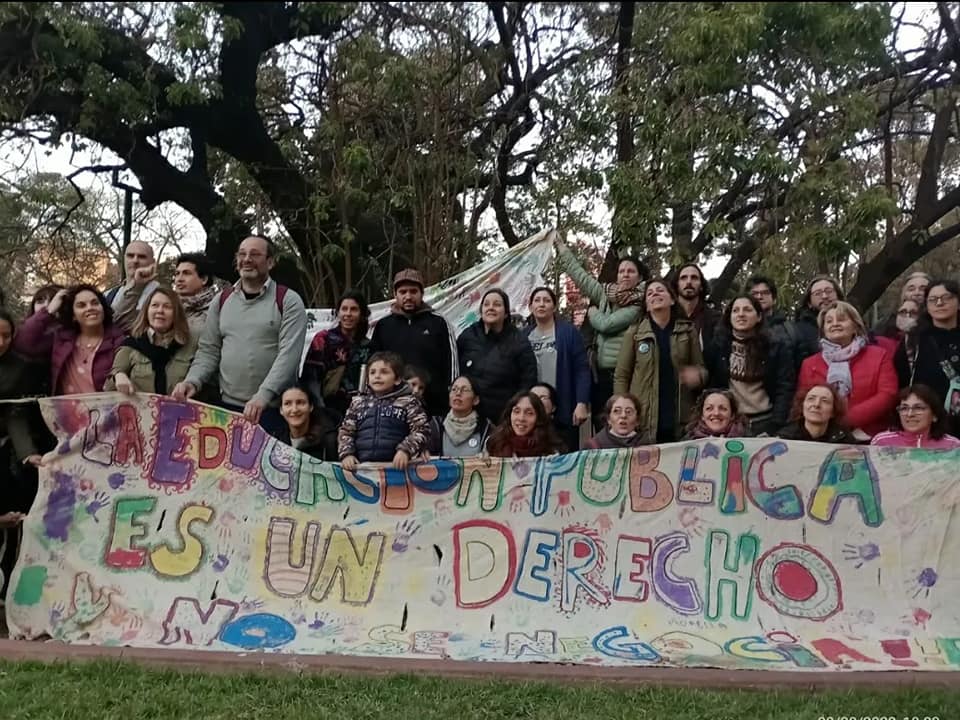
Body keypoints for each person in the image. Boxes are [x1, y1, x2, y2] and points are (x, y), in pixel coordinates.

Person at [173, 235, 308, 437]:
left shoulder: (288, 301)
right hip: (227, 410)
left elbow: (288, 357)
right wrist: (192, 381)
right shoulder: (222, 300)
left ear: (270, 262)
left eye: (255, 254)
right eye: (242, 254)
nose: (247, 259)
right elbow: (209, 351)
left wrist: (263, 396)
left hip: (273, 411)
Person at [552, 235, 649, 428]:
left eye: (631, 271)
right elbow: (581, 278)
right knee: (601, 425)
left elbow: (607, 324)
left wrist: (592, 312)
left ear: (640, 277)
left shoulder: (640, 302)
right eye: (622, 271)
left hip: (624, 376)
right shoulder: (607, 295)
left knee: (624, 426)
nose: (625, 275)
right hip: (600, 375)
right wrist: (562, 249)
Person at [613, 279, 707, 444]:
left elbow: (702, 370)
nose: (655, 294)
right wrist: (621, 409)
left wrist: (698, 375)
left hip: (679, 418)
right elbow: (622, 375)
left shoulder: (688, 330)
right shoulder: (635, 334)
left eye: (660, 290)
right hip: (644, 419)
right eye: (650, 293)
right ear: (647, 305)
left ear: (672, 300)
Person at [796, 301, 897, 440]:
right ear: (823, 330)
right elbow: (804, 400)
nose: (835, 324)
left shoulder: (879, 356)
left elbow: (888, 394)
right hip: (823, 437)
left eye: (842, 319)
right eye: (829, 321)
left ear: (855, 326)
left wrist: (845, 420)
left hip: (869, 436)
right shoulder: (809, 364)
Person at [368, 269, 456, 417]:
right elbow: (373, 364)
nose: (408, 296)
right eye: (403, 292)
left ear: (422, 293)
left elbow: (452, 365)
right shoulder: (383, 326)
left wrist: (451, 396)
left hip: (433, 408)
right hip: (390, 407)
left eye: (413, 291)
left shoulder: (439, 323)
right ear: (395, 295)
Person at [704, 295, 795, 435]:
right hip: (731, 423)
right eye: (735, 310)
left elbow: (785, 386)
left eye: (747, 310)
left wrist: (776, 424)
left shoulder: (775, 346)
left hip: (766, 420)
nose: (741, 314)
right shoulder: (719, 345)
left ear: (759, 316)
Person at [14, 285, 126, 395]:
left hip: (106, 410)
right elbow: (24, 342)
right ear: (73, 316)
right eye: (81, 305)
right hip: (64, 412)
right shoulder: (61, 340)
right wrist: (48, 311)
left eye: (95, 303)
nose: (90, 308)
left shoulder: (118, 341)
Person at [457, 289, 538, 424]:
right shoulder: (468, 336)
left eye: (497, 304)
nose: (491, 308)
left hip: (503, 418)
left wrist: (515, 411)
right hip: (469, 415)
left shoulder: (518, 340)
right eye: (486, 304)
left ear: (506, 313)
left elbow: (528, 379)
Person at [338, 352, 430, 470]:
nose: (377, 376)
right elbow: (346, 431)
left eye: (384, 372)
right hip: (363, 469)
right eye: (372, 372)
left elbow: (421, 429)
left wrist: (405, 450)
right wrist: (347, 454)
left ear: (397, 379)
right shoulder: (358, 402)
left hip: (397, 470)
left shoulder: (408, 402)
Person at [525, 286, 591, 450]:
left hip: (564, 407)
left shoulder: (568, 333)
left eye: (547, 301)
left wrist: (581, 402)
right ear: (530, 306)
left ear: (554, 307)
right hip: (533, 409)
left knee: (565, 455)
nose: (542, 304)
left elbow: (582, 369)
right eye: (537, 300)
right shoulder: (524, 336)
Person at [104, 287, 197, 396]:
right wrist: (118, 376)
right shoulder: (131, 344)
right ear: (146, 311)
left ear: (176, 313)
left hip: (180, 410)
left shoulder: (190, 344)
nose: (160, 311)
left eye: (167, 306)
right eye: (155, 305)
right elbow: (109, 386)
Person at [896, 280, 960, 435]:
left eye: (947, 298)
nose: (939, 303)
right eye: (933, 299)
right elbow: (902, 382)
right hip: (929, 426)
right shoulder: (913, 341)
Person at [300, 291, 372, 418]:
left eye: (354, 309)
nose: (348, 314)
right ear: (338, 312)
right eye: (344, 309)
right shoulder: (324, 339)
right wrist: (320, 409)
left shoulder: (368, 345)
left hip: (361, 411)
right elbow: (311, 379)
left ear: (362, 314)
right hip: (327, 409)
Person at [871, 384, 960, 449]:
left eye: (918, 408)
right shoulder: (881, 442)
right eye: (904, 408)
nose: (910, 414)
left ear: (934, 415)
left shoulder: (953, 445)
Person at [486, 391, 565, 458]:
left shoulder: (551, 450)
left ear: (539, 418)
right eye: (516, 411)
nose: (521, 418)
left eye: (529, 413)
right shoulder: (494, 443)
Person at [428, 375, 491, 458]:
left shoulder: (486, 428)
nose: (458, 393)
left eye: (464, 390)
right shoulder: (436, 425)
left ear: (476, 400)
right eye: (454, 389)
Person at [792, 275, 844, 373]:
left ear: (838, 295)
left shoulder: (853, 322)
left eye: (829, 291)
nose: (824, 296)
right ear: (809, 303)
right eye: (818, 293)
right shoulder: (798, 331)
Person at [106, 240, 160, 331]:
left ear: (152, 262)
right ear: (124, 259)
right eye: (130, 256)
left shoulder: (162, 294)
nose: (135, 260)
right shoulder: (108, 295)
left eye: (142, 257)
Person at [276, 383, 337, 460]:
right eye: (288, 403)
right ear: (281, 410)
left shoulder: (329, 442)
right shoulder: (275, 441)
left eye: (300, 402)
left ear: (311, 407)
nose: (294, 409)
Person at [777, 384, 856, 443]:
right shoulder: (785, 439)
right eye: (811, 399)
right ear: (802, 406)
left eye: (825, 401)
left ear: (833, 411)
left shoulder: (845, 440)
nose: (816, 404)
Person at [672, 263, 721, 351]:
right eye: (683, 278)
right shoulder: (666, 316)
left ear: (701, 286)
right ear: (677, 284)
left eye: (694, 278)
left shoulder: (715, 319)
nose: (689, 282)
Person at [746, 275, 800, 353]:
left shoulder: (790, 330)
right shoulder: (737, 326)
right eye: (754, 293)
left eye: (765, 293)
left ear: (774, 299)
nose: (759, 297)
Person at [173, 252, 219, 335]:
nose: (179, 279)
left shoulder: (217, 310)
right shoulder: (168, 308)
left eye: (186, 273)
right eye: (177, 274)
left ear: (204, 279)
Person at [682, 389, 750, 440]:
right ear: (702, 415)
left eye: (723, 408)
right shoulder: (687, 441)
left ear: (732, 415)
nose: (716, 413)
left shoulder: (748, 440)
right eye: (709, 408)